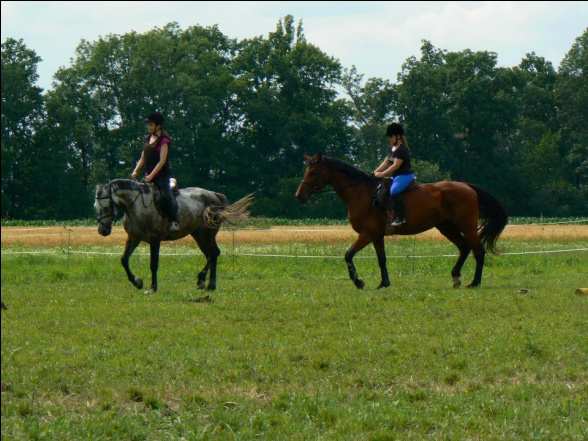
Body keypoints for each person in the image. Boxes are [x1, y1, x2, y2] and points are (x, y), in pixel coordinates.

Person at [131, 112, 180, 232]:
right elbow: (143, 158)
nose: (148, 127)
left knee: (165, 196)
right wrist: (135, 171)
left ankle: (174, 220)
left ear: (158, 126)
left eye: (151, 124)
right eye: (148, 124)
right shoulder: (148, 138)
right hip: (148, 176)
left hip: (162, 176)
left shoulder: (164, 140)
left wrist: (151, 176)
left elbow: (162, 161)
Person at [373, 122, 416, 226]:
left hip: (405, 176)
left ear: (397, 136)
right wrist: (374, 172)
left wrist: (382, 174)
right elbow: (386, 163)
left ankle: (400, 217)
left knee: (394, 191)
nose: (389, 139)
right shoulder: (392, 149)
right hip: (396, 177)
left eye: (391, 137)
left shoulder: (402, 149)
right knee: (381, 188)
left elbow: (395, 166)